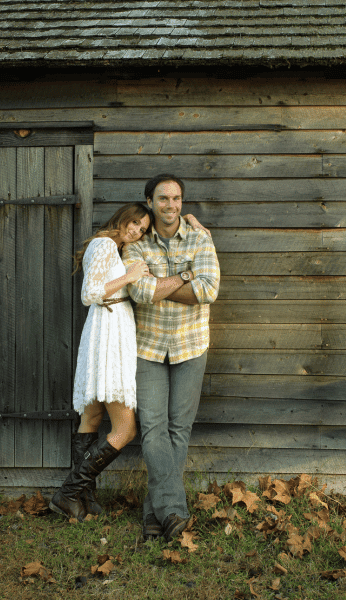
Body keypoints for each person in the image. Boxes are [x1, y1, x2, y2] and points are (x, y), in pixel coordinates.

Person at [49, 202, 208, 522]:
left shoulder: (117, 248)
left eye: (142, 228)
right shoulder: (105, 244)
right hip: (107, 337)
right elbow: (89, 292)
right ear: (121, 219)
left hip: (110, 332)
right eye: (133, 223)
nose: (136, 230)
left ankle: (85, 498)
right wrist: (132, 275)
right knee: (125, 429)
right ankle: (67, 493)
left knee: (91, 419)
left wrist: (192, 223)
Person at [123, 174, 220, 542]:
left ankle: (154, 514)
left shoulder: (199, 238)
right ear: (150, 201)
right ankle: (174, 510)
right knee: (152, 429)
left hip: (190, 344)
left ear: (182, 201)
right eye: (163, 198)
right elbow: (141, 291)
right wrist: (186, 275)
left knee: (179, 429)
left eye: (176, 198)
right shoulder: (136, 244)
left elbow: (209, 289)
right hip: (147, 347)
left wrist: (164, 283)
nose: (171, 205)